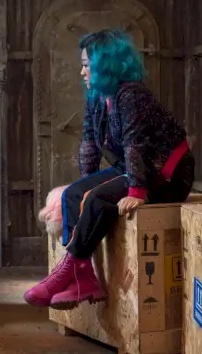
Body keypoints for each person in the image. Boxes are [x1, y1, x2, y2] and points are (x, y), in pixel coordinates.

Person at [24, 29, 195, 310]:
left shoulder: (132, 95)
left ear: (105, 66)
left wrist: (137, 191)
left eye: (86, 65)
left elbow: (135, 143)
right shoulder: (97, 96)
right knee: (73, 195)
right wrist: (84, 182)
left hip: (167, 175)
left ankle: (68, 273)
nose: (82, 72)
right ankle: (84, 277)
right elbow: (89, 141)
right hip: (134, 167)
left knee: (97, 198)